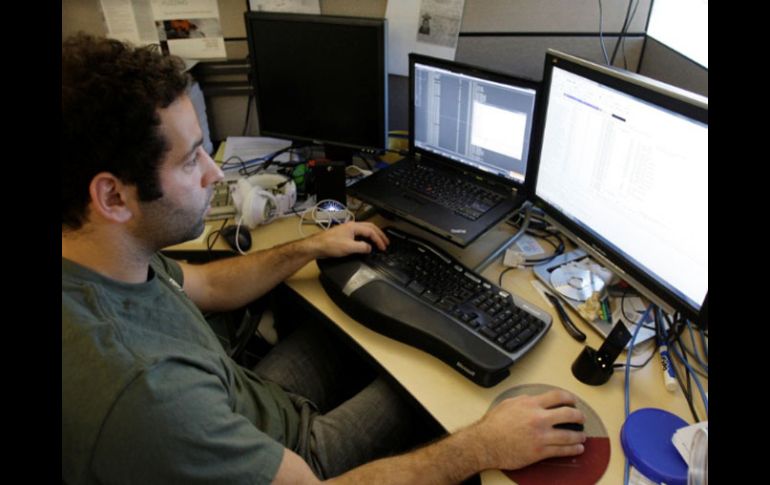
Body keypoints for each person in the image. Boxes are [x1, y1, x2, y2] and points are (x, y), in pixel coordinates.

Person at [62, 34, 587, 484]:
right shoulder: (146, 397)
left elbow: (208, 286)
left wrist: (309, 247)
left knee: (359, 333)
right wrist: (483, 445)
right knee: (428, 395)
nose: (214, 172)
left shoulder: (107, 258)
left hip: (247, 400)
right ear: (112, 196)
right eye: (188, 160)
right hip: (296, 455)